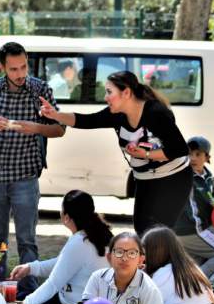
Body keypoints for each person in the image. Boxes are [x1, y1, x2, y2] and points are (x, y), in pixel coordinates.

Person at [0, 42, 65, 296]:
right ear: (2, 67)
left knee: (27, 240)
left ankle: (29, 295)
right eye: (13, 69)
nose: (20, 73)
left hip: (26, 175)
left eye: (23, 66)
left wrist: (36, 127)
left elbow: (60, 128)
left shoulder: (40, 89)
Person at [40, 70, 192, 234]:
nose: (105, 97)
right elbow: (86, 120)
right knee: (142, 230)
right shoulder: (116, 114)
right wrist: (55, 115)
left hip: (174, 178)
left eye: (109, 92)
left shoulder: (155, 113)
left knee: (159, 234)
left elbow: (179, 149)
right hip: (145, 178)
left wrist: (146, 154)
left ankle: (166, 259)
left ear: (126, 92)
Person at [10, 190, 111, 304]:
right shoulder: (96, 233)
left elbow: (53, 285)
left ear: (67, 217)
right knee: (26, 296)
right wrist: (31, 268)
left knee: (25, 303)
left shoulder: (79, 241)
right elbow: (63, 263)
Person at [173, 136, 214, 278]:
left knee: (199, 260)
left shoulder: (207, 176)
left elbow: (209, 200)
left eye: (198, 154)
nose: (193, 158)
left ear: (207, 157)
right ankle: (198, 283)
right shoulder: (185, 175)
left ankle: (190, 290)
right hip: (191, 229)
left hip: (198, 229)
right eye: (189, 154)